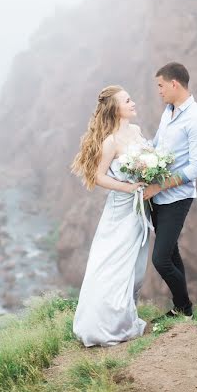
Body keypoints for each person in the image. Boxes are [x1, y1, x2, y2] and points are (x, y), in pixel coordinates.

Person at [71, 85, 151, 346]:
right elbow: (98, 176)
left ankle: (124, 317)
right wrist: (129, 187)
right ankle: (101, 326)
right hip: (120, 210)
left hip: (139, 209)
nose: (133, 103)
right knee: (111, 264)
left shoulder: (136, 132)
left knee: (133, 266)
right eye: (128, 100)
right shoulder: (111, 141)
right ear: (116, 109)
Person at [143, 62, 197, 319]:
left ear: (174, 84)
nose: (159, 91)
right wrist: (139, 157)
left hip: (176, 198)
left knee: (160, 259)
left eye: (161, 86)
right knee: (171, 253)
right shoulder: (168, 111)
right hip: (158, 196)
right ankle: (184, 310)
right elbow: (158, 145)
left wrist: (158, 186)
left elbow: (196, 168)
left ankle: (184, 307)